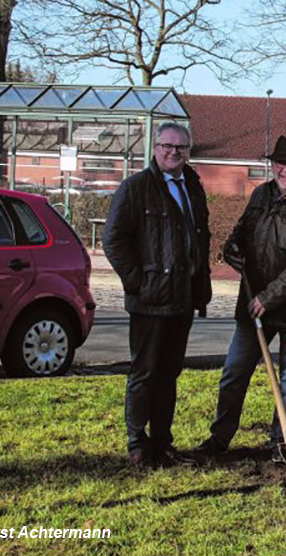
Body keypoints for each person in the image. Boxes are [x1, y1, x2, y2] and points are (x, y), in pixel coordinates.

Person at [195, 135, 286, 459]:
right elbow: (240, 234)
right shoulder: (261, 195)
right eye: (281, 164)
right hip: (254, 304)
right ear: (273, 166)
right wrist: (232, 251)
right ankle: (220, 438)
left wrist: (269, 297)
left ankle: (280, 443)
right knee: (234, 371)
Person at [103, 121, 212, 467]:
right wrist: (138, 282)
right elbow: (113, 240)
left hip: (182, 300)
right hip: (150, 301)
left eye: (180, 147)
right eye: (167, 146)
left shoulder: (192, 186)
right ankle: (138, 443)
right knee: (144, 373)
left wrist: (201, 286)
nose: (173, 152)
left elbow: (200, 236)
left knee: (169, 374)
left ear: (188, 151)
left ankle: (163, 442)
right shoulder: (135, 188)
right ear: (154, 148)